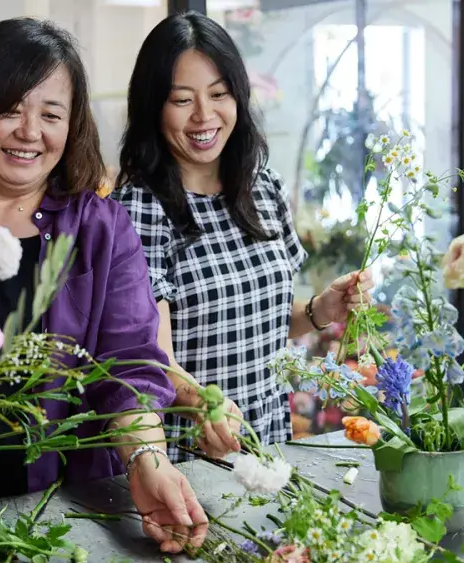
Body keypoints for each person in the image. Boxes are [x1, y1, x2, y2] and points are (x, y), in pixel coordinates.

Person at [0, 18, 206, 553]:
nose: (30, 132)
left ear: (71, 126)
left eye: (51, 114)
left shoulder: (102, 229)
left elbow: (129, 364)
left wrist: (149, 460)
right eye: (9, 110)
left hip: (71, 518)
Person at [111, 12, 373, 462]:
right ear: (154, 106)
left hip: (269, 439)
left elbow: (256, 320)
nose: (204, 115)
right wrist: (206, 407)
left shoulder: (260, 186)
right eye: (182, 100)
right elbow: (152, 361)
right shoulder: (141, 207)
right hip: (190, 449)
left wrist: (318, 310)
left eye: (219, 94)